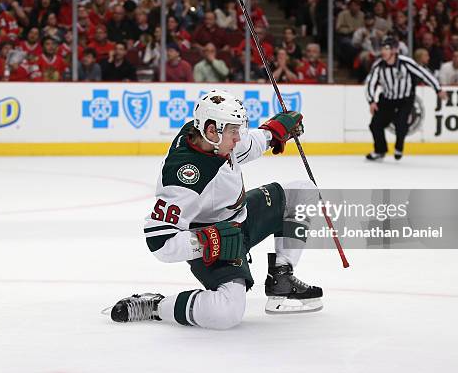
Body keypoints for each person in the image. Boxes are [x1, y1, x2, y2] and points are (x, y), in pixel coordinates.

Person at [106, 90, 323, 329]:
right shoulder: (185, 178)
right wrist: (207, 240)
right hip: (216, 240)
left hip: (242, 218)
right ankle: (156, 307)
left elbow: (245, 146)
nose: (238, 138)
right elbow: (159, 242)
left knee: (303, 191)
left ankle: (281, 278)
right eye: (233, 131)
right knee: (227, 313)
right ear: (211, 131)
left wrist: (272, 134)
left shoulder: (211, 139)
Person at [365, 36, 447, 161]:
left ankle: (399, 147)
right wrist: (371, 101)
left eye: (386, 49)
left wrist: (438, 89)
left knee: (401, 124)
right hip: (387, 99)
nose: (383, 52)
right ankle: (380, 150)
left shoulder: (405, 62)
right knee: (375, 125)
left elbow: (423, 73)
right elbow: (370, 83)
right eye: (382, 48)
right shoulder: (379, 65)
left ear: (394, 50)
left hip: (405, 99)